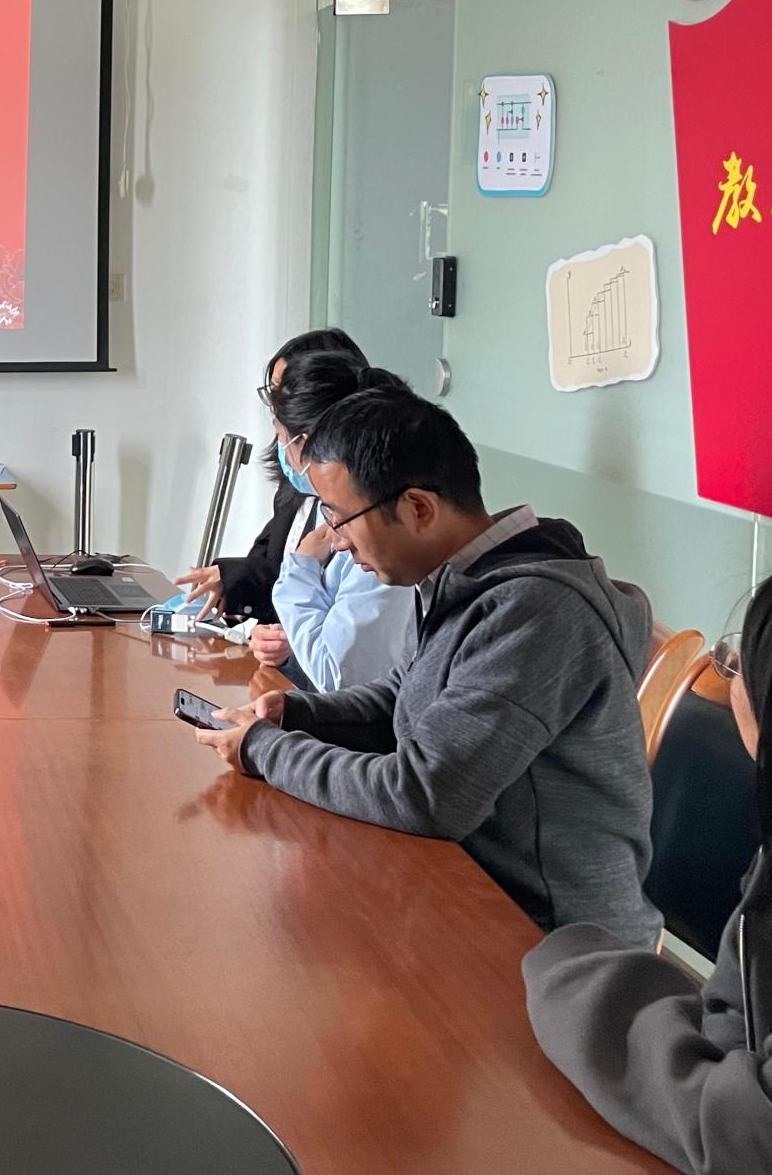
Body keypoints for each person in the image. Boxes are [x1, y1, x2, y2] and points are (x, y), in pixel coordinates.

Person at [191, 387, 662, 947]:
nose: (337, 544)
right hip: (463, 887)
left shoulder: (536, 609)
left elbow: (426, 795)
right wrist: (297, 714)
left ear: (418, 508)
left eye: (341, 519)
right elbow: (409, 690)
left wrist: (263, 749)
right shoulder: (464, 577)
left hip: (550, 940)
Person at [525, 577, 772, 1171]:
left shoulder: (544, 607)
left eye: (740, 661)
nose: (731, 675)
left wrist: (563, 969)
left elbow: (746, 1132)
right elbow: (734, 1011)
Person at [174, 327, 368, 624]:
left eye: (284, 392)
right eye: (273, 392)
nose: (276, 409)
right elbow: (271, 561)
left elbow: (335, 624)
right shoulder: (294, 484)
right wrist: (231, 580)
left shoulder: (357, 505)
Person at [253, 352, 417, 692]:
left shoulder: (379, 528)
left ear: (307, 442)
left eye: (282, 436)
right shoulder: (326, 504)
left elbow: (338, 677)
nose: (341, 539)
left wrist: (300, 570)